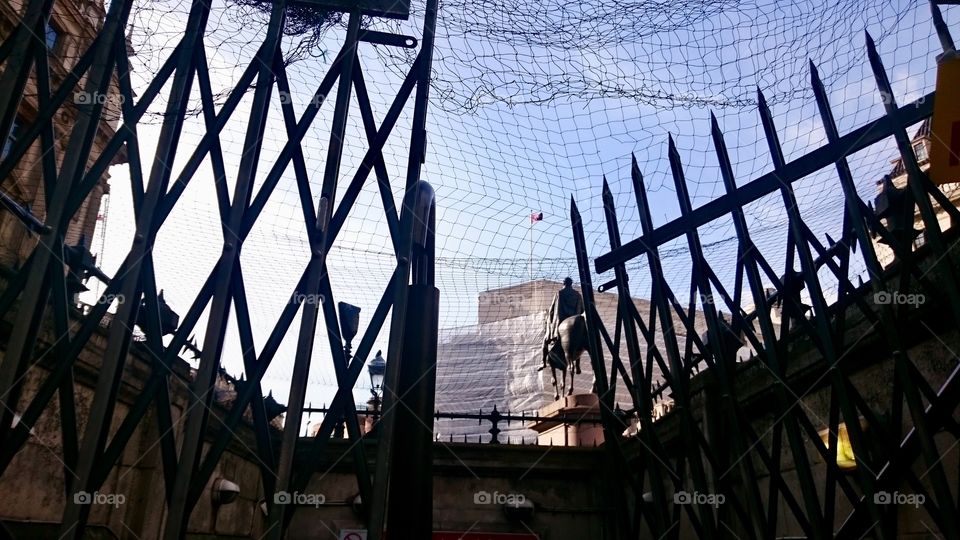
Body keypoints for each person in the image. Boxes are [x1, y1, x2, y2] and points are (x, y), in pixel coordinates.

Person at [542, 277, 584, 368]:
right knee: (580, 341)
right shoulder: (578, 295)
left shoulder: (559, 294)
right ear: (571, 284)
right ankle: (577, 365)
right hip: (576, 324)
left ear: (563, 283)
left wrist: (550, 324)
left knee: (545, 341)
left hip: (560, 323)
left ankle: (543, 362)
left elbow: (552, 310)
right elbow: (582, 310)